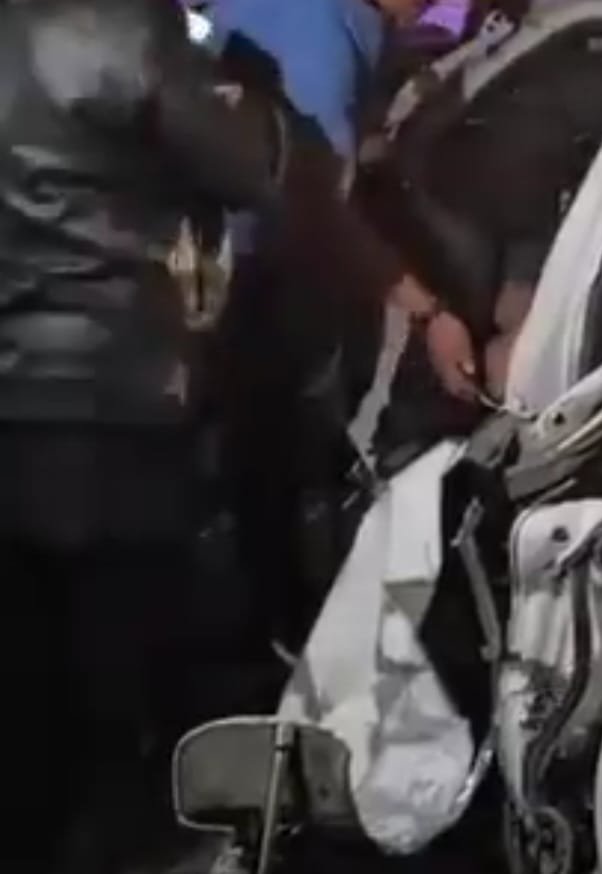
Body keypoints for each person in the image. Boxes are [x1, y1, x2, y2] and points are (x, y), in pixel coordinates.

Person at [0, 0, 288, 870]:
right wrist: (259, 105)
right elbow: (246, 172)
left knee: (25, 671)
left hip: (14, 386)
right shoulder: (129, 30)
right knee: (114, 668)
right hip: (110, 386)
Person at [203, 0, 477, 655]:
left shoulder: (313, 19)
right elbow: (317, 213)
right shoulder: (322, 43)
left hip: (204, 257)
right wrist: (429, 312)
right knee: (281, 452)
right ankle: (284, 635)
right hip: (242, 267)